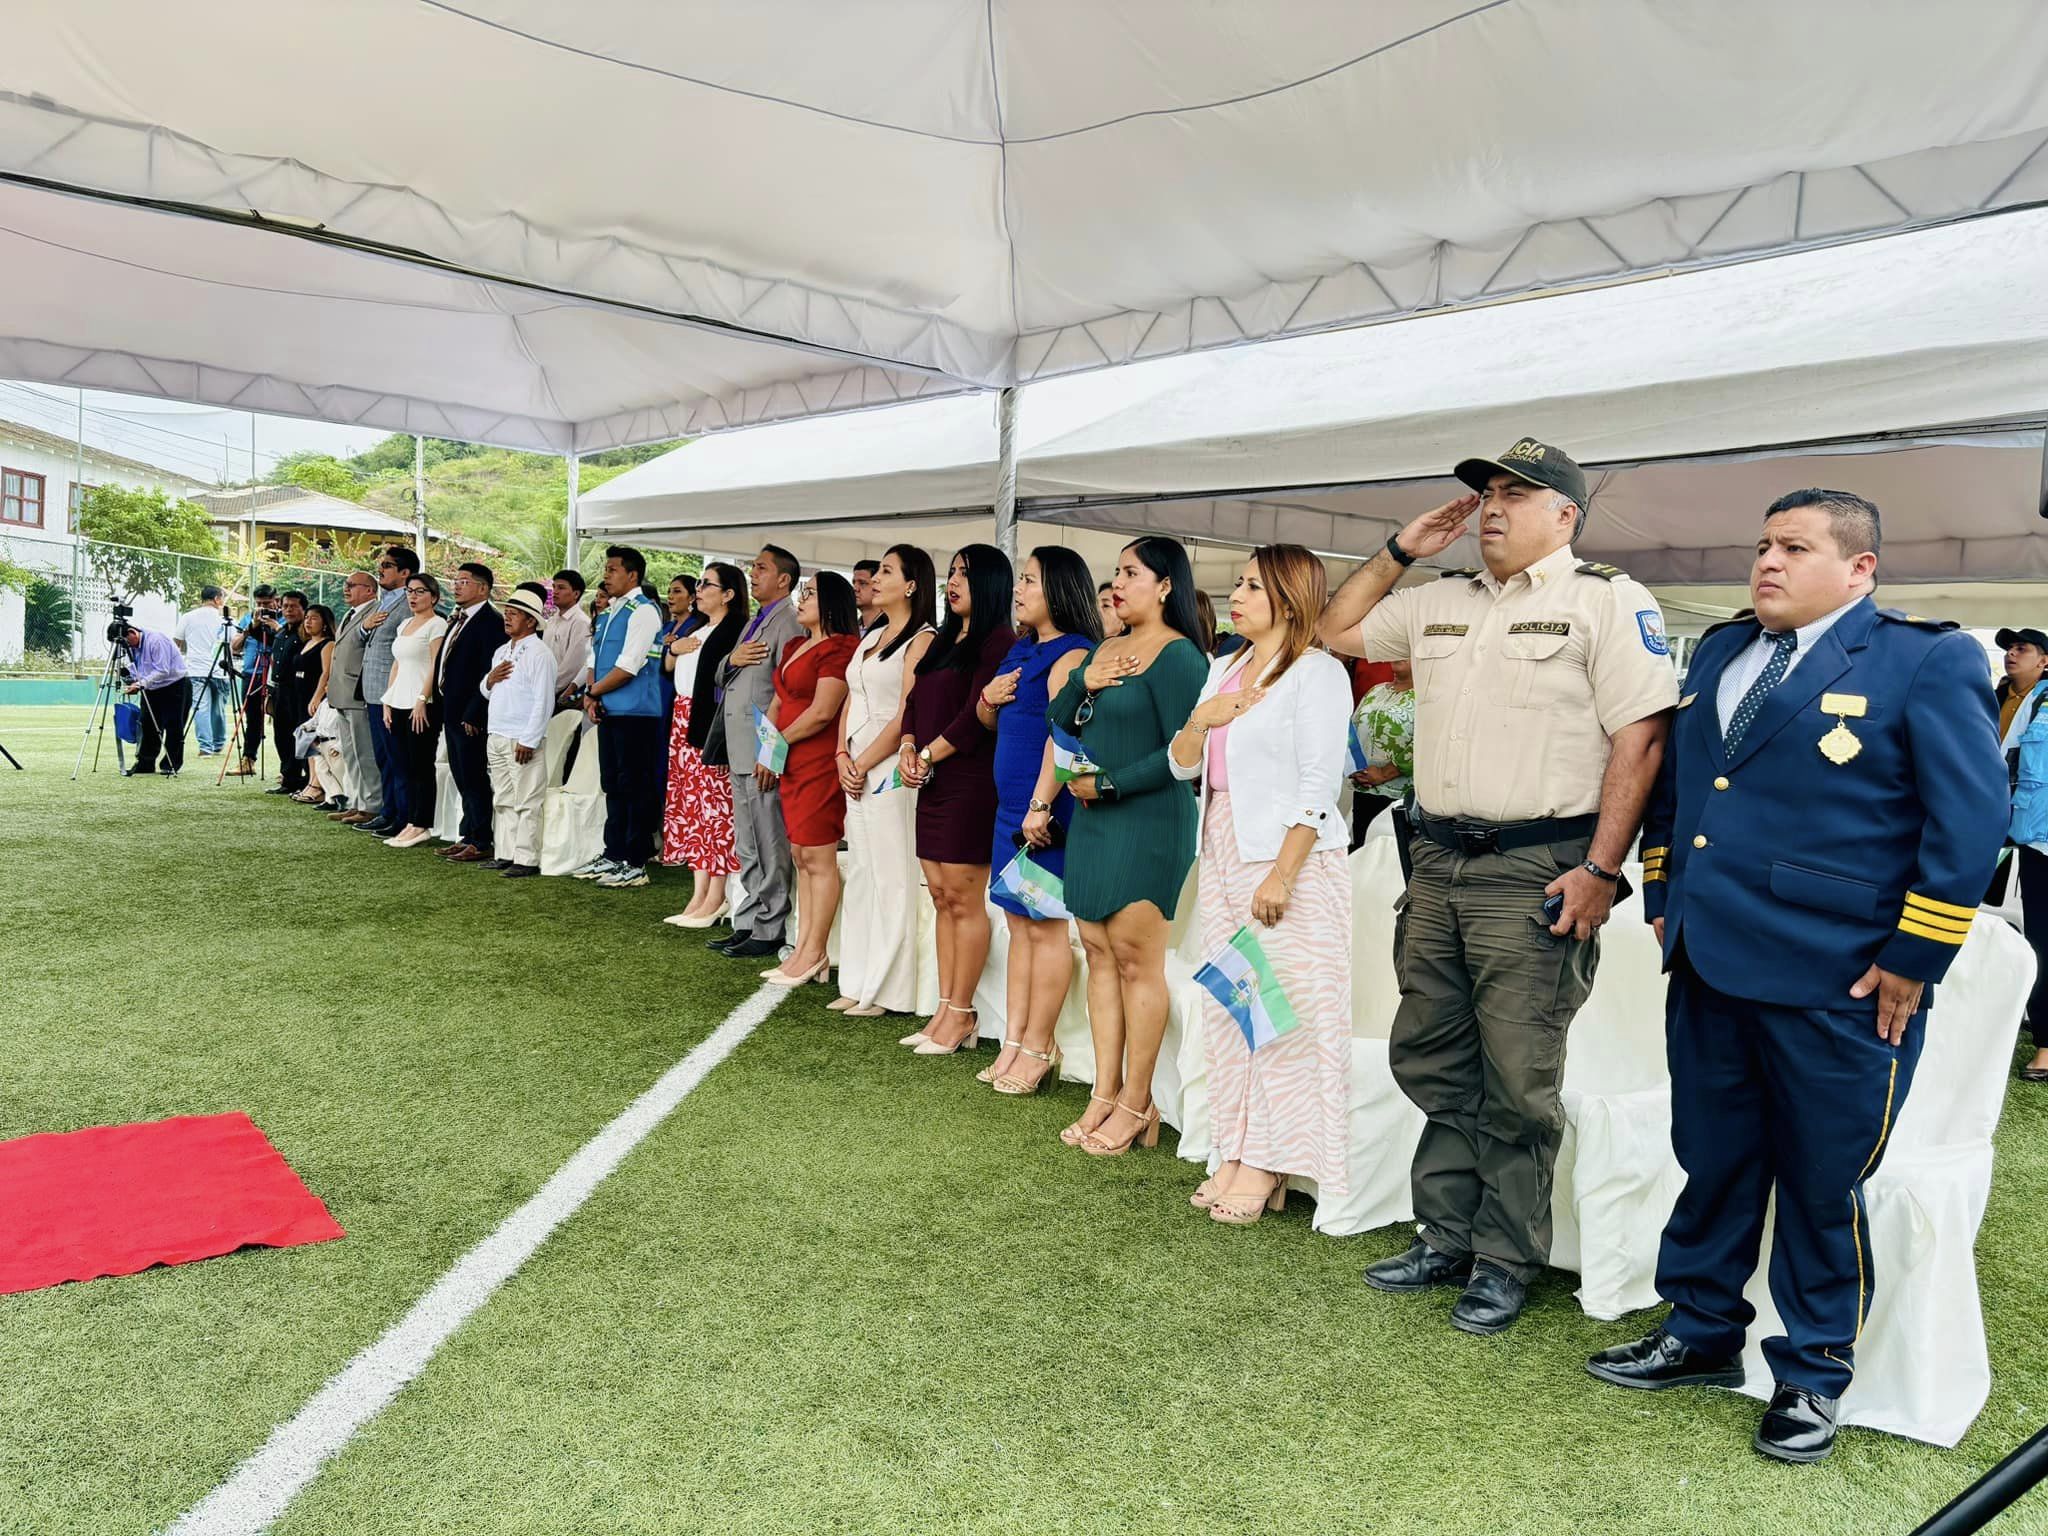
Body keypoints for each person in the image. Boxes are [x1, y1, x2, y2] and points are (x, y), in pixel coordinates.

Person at [1586, 489, 2008, 1465]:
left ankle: (1812, 1373)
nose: (1767, 561)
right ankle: (1699, 1331)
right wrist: (1664, 891)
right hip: (1709, 961)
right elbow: (1684, 786)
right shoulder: (1722, 649)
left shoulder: (1924, 659)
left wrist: (1914, 956)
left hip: (1838, 977)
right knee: (1714, 1159)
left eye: (1795, 547)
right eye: (1763, 545)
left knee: (1822, 1184)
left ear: (1860, 569)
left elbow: (1967, 821)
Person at [1320, 435, 1676, 1336]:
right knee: (1432, 1053)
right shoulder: (1439, 599)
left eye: (1516, 494)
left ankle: (1505, 1256)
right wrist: (1401, 549)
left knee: (1519, 1073)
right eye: (1487, 493)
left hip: (1537, 865)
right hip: (1436, 858)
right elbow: (1335, 630)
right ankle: (1445, 1234)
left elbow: (1641, 741)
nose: (1491, 508)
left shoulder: (1605, 599)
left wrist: (1602, 870)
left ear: (1566, 514)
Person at [1169, 546, 1353, 1222]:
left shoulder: (1317, 673)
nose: (1236, 595)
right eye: (1238, 583)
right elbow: (1181, 765)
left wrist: (1282, 872)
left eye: (1252, 585)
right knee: (1234, 1004)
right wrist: (1202, 719)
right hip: (1222, 846)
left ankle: (1271, 1159)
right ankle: (1237, 1146)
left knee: (1283, 1014)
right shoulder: (1223, 667)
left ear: (1289, 597)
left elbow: (1319, 783)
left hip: (1289, 858)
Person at [1046, 537, 1209, 1153]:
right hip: (1092, 819)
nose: (1117, 583)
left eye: (1131, 573)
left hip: (1148, 821)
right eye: (1115, 572)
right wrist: (1082, 679)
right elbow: (1058, 721)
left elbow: (1184, 753)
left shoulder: (1180, 657)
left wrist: (1109, 784)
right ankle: (1104, 1092)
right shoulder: (1104, 649)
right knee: (1098, 954)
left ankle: (1138, 1102)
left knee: (1137, 961)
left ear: (1165, 586)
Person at [977, 546, 1098, 1091]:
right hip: (1011, 809)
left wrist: (1041, 804)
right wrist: (987, 698)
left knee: (1045, 929)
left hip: (1042, 813)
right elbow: (991, 720)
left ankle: (1038, 1046)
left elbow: (1064, 737)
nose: (1019, 589)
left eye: (1030, 580)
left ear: (1060, 591)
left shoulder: (1073, 654)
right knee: (1018, 925)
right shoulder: (1022, 648)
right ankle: (1014, 1040)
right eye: (1020, 579)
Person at [896, 544, 1016, 1054]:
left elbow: (976, 716)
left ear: (990, 583)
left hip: (969, 780)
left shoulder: (999, 641)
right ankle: (945, 1007)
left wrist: (926, 754)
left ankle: (962, 1012)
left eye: (965, 573)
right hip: (930, 777)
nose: (953, 581)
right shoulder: (943, 639)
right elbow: (913, 701)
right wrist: (907, 746)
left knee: (963, 900)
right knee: (941, 897)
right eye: (951, 572)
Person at [833, 546, 937, 1015]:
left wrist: (864, 762)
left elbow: (905, 714)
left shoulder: (923, 638)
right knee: (861, 871)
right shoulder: (873, 633)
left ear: (911, 584)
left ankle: (889, 989)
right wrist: (842, 754)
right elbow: (850, 698)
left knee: (893, 876)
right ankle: (855, 980)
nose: (875, 578)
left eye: (886, 571)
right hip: (855, 761)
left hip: (889, 765)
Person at [763, 573, 861, 986]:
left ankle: (816, 950)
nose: (801, 599)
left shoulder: (841, 647)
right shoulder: (794, 645)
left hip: (818, 759)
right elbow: (778, 700)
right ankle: (803, 947)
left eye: (810, 593)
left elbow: (823, 712)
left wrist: (779, 743)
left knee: (818, 857)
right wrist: (769, 751)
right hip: (789, 759)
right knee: (800, 855)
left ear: (833, 602)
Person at [708, 546, 804, 958]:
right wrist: (732, 658)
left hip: (764, 745)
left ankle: (770, 926)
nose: (752, 573)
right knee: (747, 842)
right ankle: (747, 919)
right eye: (753, 567)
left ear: (783, 579)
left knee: (769, 840)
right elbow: (720, 673)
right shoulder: (753, 621)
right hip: (738, 741)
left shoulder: (791, 621)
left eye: (761, 568)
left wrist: (774, 752)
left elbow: (791, 691)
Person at [572, 546, 669, 890]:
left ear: (633, 575)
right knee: (612, 784)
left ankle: (635, 861)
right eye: (606, 568)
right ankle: (614, 853)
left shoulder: (643, 611)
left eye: (613, 569)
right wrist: (592, 696)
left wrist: (593, 692)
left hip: (636, 713)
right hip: (610, 709)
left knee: (635, 786)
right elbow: (595, 659)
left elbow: (629, 666)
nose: (606, 574)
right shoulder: (611, 610)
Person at [662, 562, 748, 926]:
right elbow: (668, 667)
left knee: (715, 807)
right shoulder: (697, 626)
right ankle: (698, 893)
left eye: (706, 584)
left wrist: (677, 648)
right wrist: (673, 649)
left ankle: (716, 895)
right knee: (691, 807)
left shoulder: (735, 630)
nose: (698, 589)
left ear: (727, 594)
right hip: (682, 719)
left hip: (708, 722)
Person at [1994, 624, 2048, 1081]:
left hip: (2037, 834)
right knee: (2038, 935)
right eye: (2009, 647)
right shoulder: (2005, 698)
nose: (2012, 653)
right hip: (2027, 836)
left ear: (2044, 661)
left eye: (2022, 648)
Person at [478, 587, 556, 878]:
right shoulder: (501, 651)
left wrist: (529, 739)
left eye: (514, 614)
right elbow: (486, 691)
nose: (507, 618)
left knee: (527, 799)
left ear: (531, 621)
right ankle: (505, 853)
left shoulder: (540, 654)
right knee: (503, 798)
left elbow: (543, 701)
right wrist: (489, 679)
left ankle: (526, 858)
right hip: (497, 732)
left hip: (521, 736)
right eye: (507, 613)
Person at [434, 563, 507, 864]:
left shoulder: (491, 622)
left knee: (474, 776)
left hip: (471, 714)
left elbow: (488, 672)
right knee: (461, 775)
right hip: (450, 709)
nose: (456, 585)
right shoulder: (458, 618)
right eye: (456, 580)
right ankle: (468, 834)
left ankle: (481, 839)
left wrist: (475, 713)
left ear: (483, 588)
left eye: (464, 581)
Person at [380, 572, 450, 849]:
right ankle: (410, 821)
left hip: (421, 705)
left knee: (421, 765)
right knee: (404, 766)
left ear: (433, 597)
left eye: (420, 591)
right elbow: (397, 664)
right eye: (410, 591)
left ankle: (422, 824)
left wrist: (423, 698)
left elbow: (435, 665)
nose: (413, 596)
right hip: (397, 701)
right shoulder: (404, 624)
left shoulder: (437, 624)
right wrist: (387, 700)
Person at [352, 547, 418, 837]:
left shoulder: (409, 604)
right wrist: (364, 627)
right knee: (382, 757)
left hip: (393, 692)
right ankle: (388, 811)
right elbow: (362, 638)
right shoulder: (382, 602)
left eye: (388, 566)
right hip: (372, 691)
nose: (380, 570)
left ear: (405, 573)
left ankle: (403, 817)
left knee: (396, 758)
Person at [1350, 658, 1417, 875]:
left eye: (1405, 650)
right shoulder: (1376, 690)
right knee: (1362, 856)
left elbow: (1427, 742)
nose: (1397, 656)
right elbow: (1352, 727)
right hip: (1365, 788)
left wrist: (1385, 773)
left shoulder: (1429, 697)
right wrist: (1353, 767)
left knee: (1391, 865)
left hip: (1401, 795)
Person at [325, 571, 381, 823]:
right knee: (350, 754)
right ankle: (356, 802)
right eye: (345, 585)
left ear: (370, 590)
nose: (346, 589)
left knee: (364, 753)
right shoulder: (351, 613)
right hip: (341, 692)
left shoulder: (377, 611)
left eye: (352, 585)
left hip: (359, 692)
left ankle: (372, 805)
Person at [117, 622, 191, 778]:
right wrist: (131, 679)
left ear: (132, 632)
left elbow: (162, 670)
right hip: (151, 686)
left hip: (174, 684)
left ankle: (171, 764)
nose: (128, 647)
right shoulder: (131, 647)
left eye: (128, 642)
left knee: (173, 725)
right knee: (147, 724)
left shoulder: (156, 640)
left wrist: (141, 684)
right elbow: (137, 667)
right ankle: (145, 762)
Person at [227, 583, 281, 778]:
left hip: (275, 675)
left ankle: (287, 768)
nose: (263, 607)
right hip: (251, 673)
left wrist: (276, 627)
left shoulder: (284, 618)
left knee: (281, 719)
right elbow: (235, 647)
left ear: (276, 600)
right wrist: (252, 627)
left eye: (267, 603)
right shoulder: (248, 618)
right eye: (259, 603)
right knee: (252, 719)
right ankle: (248, 760)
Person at [286, 603, 337, 805]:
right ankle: (311, 781)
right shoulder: (306, 643)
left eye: (314, 618)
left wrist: (317, 697)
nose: (308, 622)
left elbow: (326, 673)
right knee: (306, 739)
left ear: (324, 623)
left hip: (315, 698)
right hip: (299, 697)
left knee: (316, 741)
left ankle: (318, 786)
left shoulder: (328, 644)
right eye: (306, 618)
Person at [174, 585, 230, 757]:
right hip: (220, 669)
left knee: (200, 707)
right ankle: (218, 743)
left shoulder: (188, 617)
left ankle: (205, 747)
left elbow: (177, 642)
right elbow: (232, 644)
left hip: (196, 668)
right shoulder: (225, 620)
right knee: (218, 709)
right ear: (217, 599)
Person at [265, 592, 310, 795]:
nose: (288, 610)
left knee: (301, 735)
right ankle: (289, 779)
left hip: (299, 691)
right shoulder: (281, 633)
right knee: (281, 735)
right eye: (285, 606)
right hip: (279, 690)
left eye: (293, 606)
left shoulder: (306, 633)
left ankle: (309, 780)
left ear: (303, 609)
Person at [547, 569, 593, 705]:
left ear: (576, 594)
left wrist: (547, 688)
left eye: (561, 588)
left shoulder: (581, 623)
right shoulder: (552, 620)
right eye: (554, 587)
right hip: (544, 686)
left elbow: (571, 667)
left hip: (562, 692)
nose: (555, 592)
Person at [851, 559, 881, 629]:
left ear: (879, 587)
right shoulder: (851, 628)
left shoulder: (891, 628)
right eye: (854, 583)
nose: (855, 588)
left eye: (862, 583)